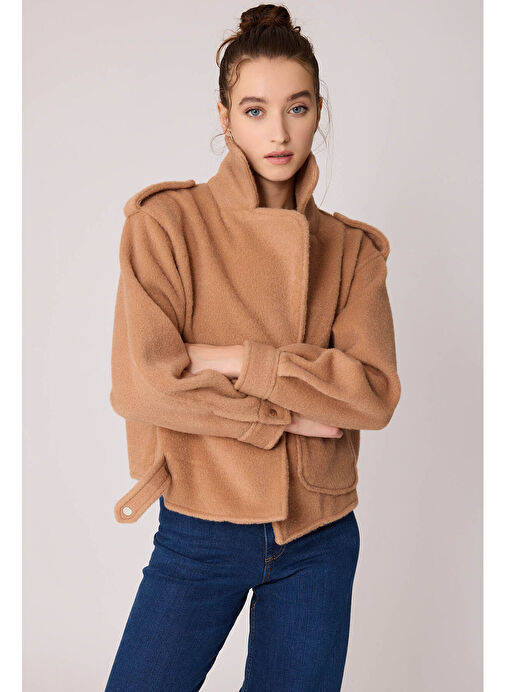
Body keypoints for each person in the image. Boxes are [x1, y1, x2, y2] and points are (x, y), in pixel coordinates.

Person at [104, 4, 401, 690]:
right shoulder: (166, 224)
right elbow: (143, 385)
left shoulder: (352, 250)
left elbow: (373, 395)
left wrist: (235, 359)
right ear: (225, 117)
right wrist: (290, 415)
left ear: (318, 111)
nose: (278, 132)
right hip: (201, 525)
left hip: (319, 535)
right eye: (255, 110)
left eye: (296, 107)